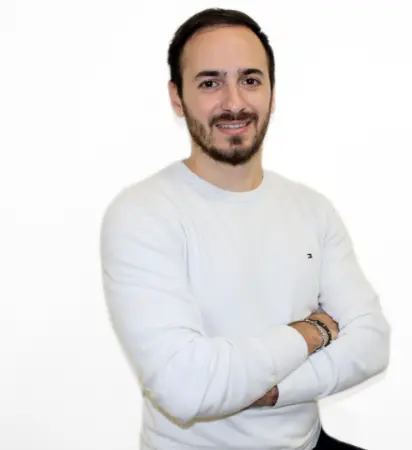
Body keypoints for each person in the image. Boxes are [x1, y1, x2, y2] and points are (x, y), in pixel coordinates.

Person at [99, 7, 390, 450]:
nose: (234, 102)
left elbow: (371, 343)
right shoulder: (143, 214)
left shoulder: (312, 209)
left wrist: (275, 391)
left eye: (250, 80)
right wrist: (312, 333)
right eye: (210, 83)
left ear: (272, 92)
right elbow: (186, 386)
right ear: (177, 97)